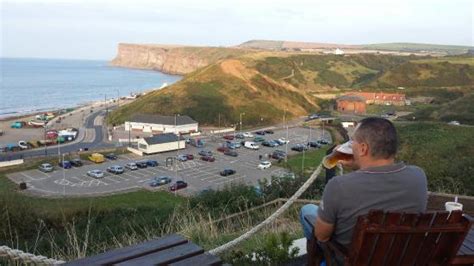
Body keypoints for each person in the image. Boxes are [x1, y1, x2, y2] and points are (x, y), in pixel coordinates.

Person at [300, 117, 428, 264]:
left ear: (363, 148)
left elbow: (322, 236)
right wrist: (359, 164)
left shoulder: (338, 186)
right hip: (398, 257)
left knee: (307, 211)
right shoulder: (418, 176)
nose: (350, 145)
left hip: (351, 259)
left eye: (352, 140)